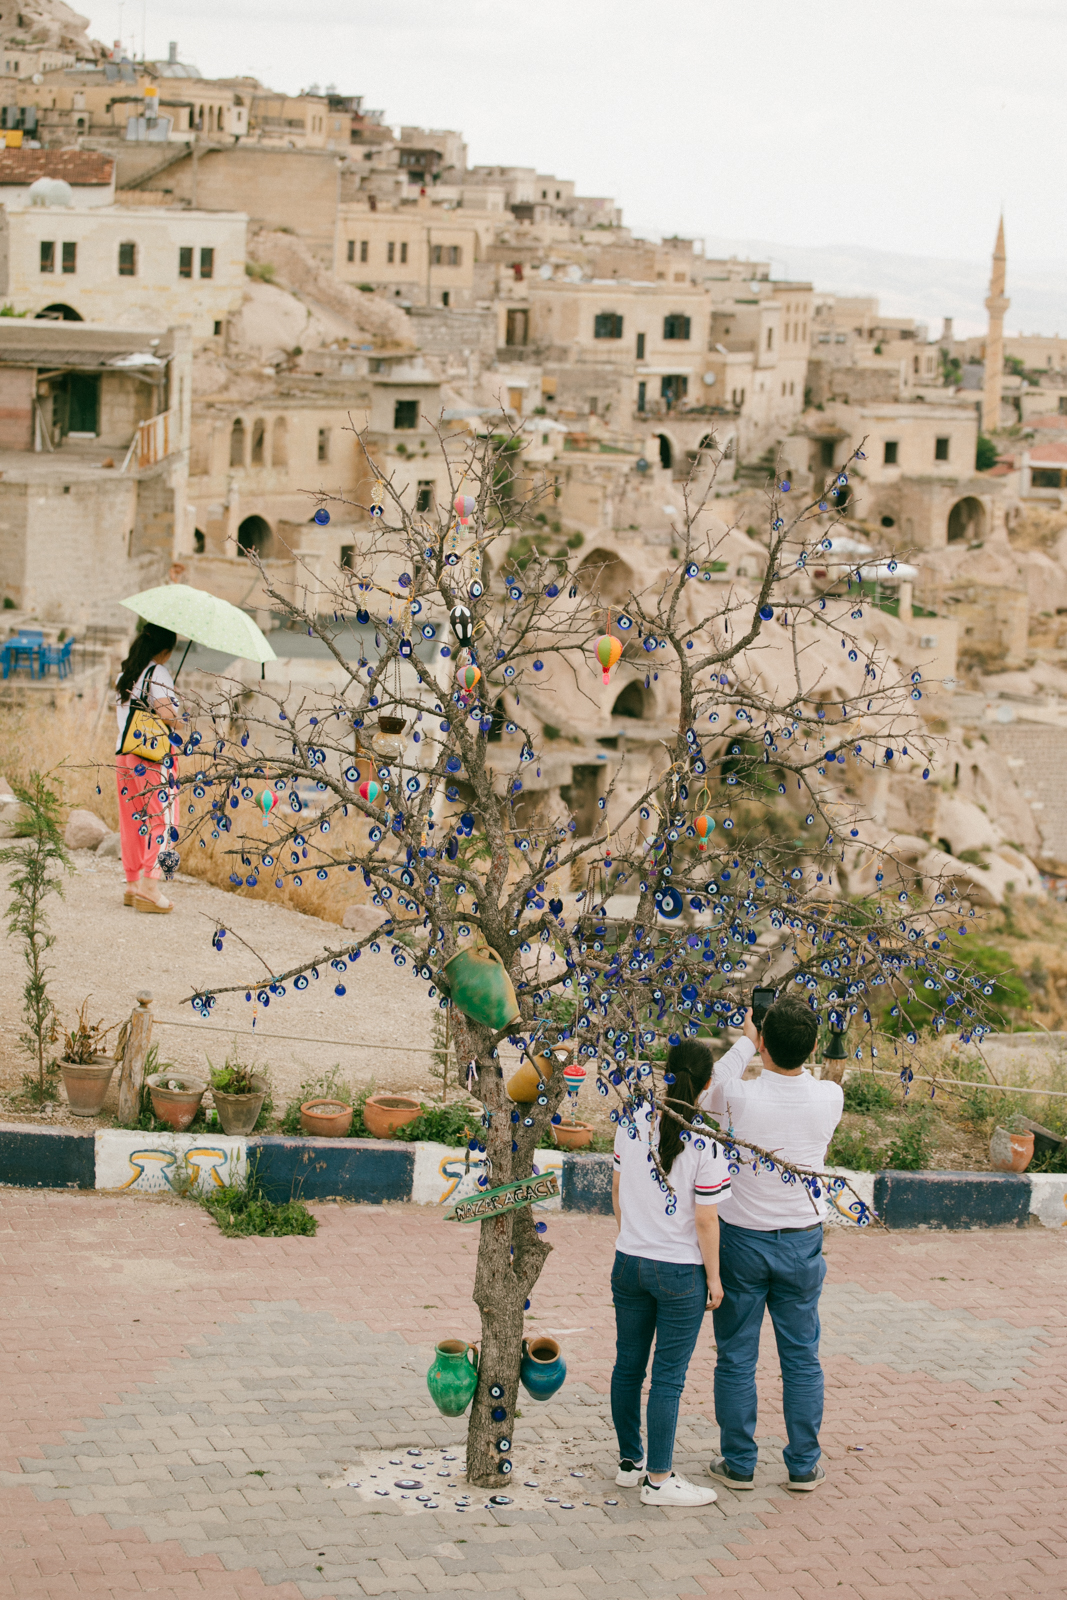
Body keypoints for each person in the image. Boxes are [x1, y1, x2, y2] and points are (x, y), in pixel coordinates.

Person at [698, 996, 843, 1493]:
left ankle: (739, 1462)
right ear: (815, 1046)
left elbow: (708, 1086)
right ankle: (803, 1464)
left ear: (762, 1041)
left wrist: (745, 1039)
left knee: (736, 1355)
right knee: (802, 1357)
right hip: (803, 1241)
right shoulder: (829, 1098)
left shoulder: (738, 1095)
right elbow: (821, 1078)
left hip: (741, 1240)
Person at [611, 1038, 732, 1506]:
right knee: (667, 1378)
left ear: (665, 1073)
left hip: (629, 1263)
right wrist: (716, 1279)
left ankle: (629, 1463)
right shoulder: (706, 1138)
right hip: (680, 1274)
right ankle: (659, 1481)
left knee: (628, 1365)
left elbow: (618, 1188)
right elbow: (706, 1219)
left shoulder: (632, 1119)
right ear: (705, 1085)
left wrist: (632, 1237)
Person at [114, 623, 181, 914]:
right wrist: (179, 718)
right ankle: (151, 888)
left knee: (132, 821)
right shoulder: (158, 672)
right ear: (164, 651)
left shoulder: (125, 673)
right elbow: (167, 713)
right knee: (164, 821)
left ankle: (132, 884)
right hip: (152, 757)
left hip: (124, 755)